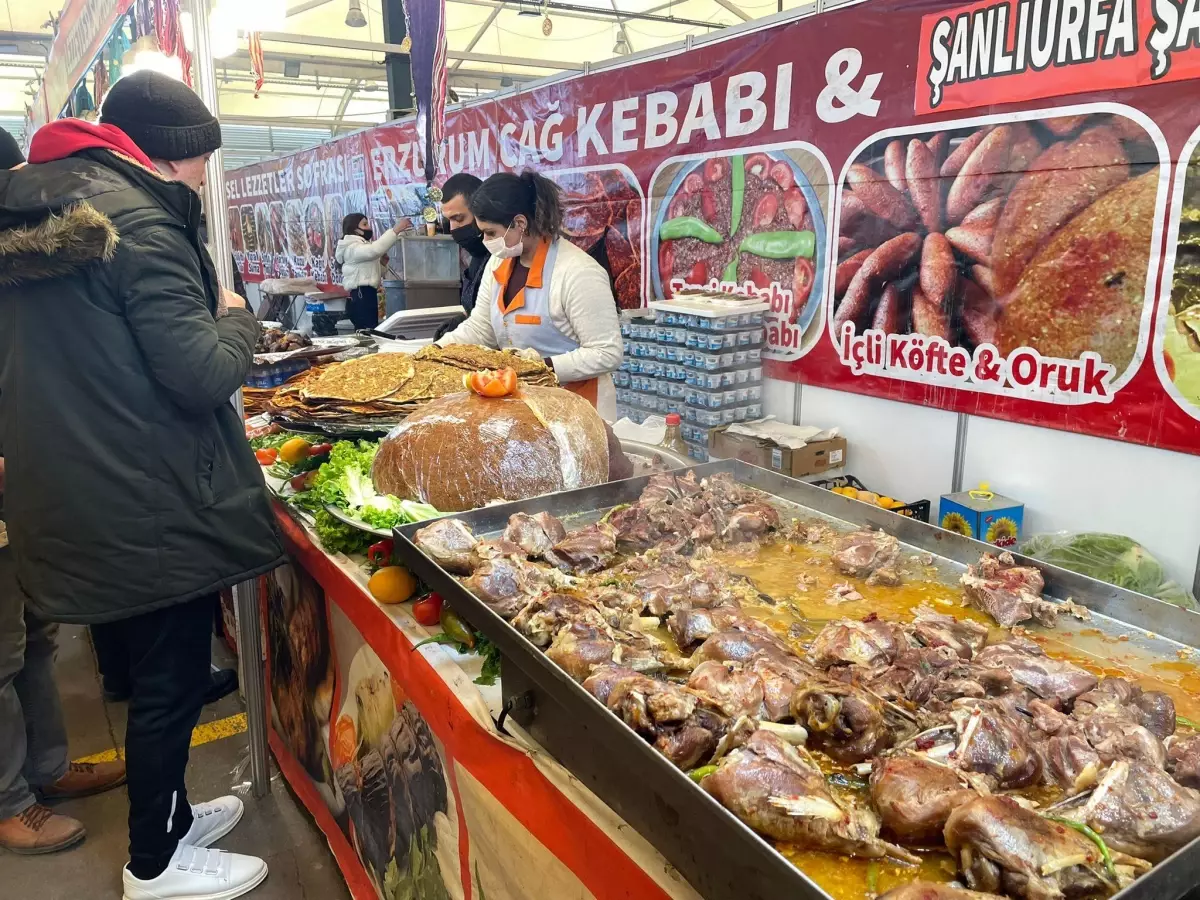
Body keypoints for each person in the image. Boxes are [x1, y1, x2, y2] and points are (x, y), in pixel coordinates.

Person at [0, 71, 283, 900]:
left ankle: (173, 818)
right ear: (172, 157)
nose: (203, 179)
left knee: (161, 674)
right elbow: (198, 375)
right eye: (201, 164)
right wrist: (236, 315)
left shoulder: (44, 210)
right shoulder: (139, 225)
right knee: (168, 681)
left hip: (87, 479)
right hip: (148, 492)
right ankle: (154, 864)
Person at [0, 128, 128, 858]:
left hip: (28, 487)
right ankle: (10, 799)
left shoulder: (30, 266)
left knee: (35, 634)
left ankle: (46, 769)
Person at [436, 170, 623, 417]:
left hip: (577, 407)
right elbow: (481, 328)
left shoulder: (577, 272)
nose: (485, 241)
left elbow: (607, 353)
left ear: (520, 224)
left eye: (491, 233)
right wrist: (435, 352)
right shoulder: (498, 262)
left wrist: (538, 367)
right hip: (523, 406)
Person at [334, 213, 407, 330]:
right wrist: (395, 231)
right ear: (355, 230)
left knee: (370, 327)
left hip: (367, 293)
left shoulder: (362, 245)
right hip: (361, 294)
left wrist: (382, 264)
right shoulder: (352, 247)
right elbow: (375, 250)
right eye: (364, 224)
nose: (368, 227)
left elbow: (371, 270)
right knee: (366, 329)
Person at [441, 172, 489, 315]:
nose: (452, 228)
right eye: (449, 220)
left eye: (458, 218)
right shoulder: (476, 257)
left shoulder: (502, 257)